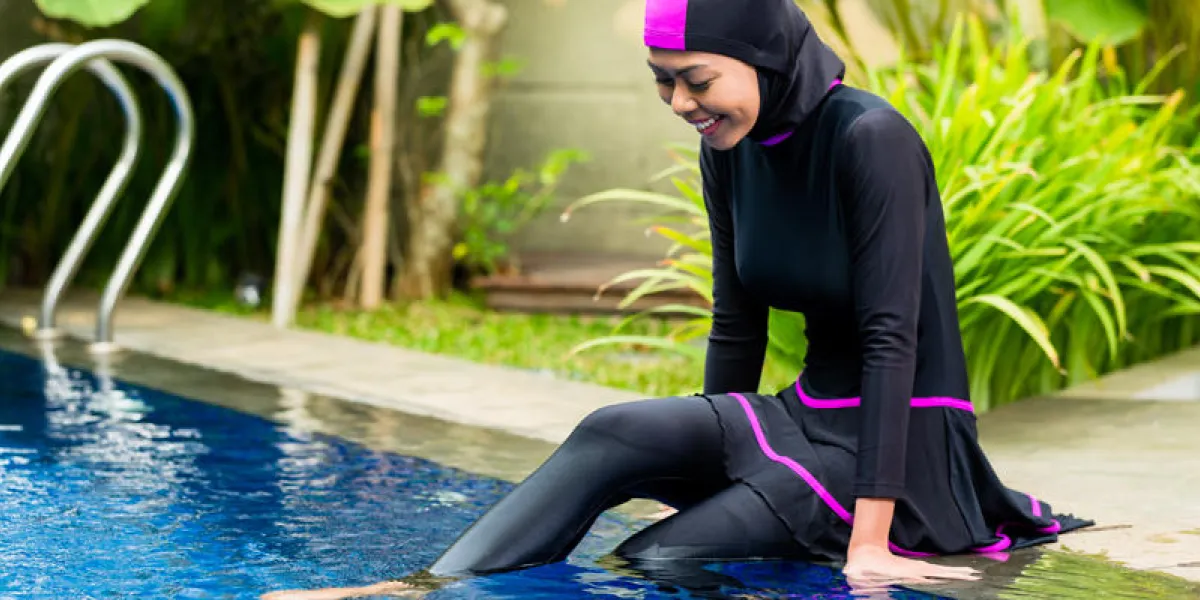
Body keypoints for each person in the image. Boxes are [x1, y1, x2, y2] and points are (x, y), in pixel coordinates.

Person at [261, 0, 1093, 597]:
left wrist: (870, 541)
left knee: (659, 561)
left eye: (696, 80)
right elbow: (737, 321)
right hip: (804, 416)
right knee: (614, 431)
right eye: (665, 85)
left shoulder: (870, 139)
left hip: (900, 440)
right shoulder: (729, 148)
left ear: (763, 57)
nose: (682, 105)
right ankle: (415, 591)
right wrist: (705, 460)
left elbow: (890, 340)